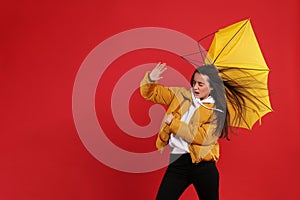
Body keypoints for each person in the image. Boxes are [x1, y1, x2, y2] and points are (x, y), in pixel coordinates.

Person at [140, 62, 229, 200]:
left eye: (201, 84)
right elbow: (150, 93)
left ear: (211, 87)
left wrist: (173, 123)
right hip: (177, 162)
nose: (195, 87)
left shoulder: (216, 111)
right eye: (194, 82)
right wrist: (151, 79)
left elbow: (202, 137)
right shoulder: (181, 95)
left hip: (203, 166)